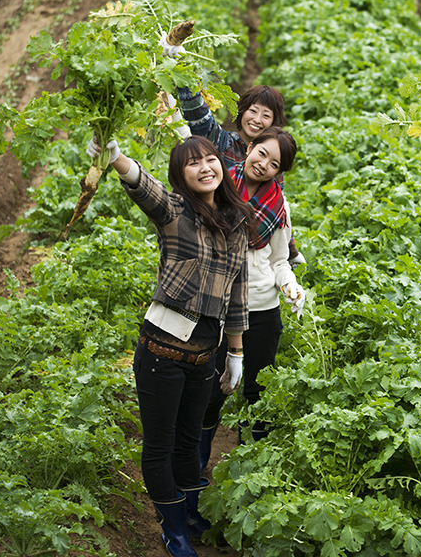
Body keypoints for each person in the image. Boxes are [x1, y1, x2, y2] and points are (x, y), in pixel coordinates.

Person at [87, 135, 255, 557]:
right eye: (192, 163)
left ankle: (191, 515)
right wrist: (116, 158)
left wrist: (235, 353)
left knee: (188, 443)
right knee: (160, 446)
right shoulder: (176, 213)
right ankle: (174, 529)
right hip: (162, 352)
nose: (204, 168)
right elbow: (145, 189)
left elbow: (238, 295)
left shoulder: (236, 221)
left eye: (210, 159)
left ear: (221, 166)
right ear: (181, 175)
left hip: (205, 356)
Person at [198, 126, 306, 472]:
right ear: (250, 147)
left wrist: (290, 284)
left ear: (279, 172)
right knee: (209, 394)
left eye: (274, 164)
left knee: (257, 395)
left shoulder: (278, 205)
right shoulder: (216, 185)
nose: (263, 165)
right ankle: (194, 473)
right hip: (216, 308)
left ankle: (251, 472)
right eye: (262, 153)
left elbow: (278, 260)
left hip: (261, 310)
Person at [160, 34, 305, 265]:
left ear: (275, 123)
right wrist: (182, 67)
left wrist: (288, 249)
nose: (257, 120)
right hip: (206, 234)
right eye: (253, 111)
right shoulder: (222, 142)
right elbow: (198, 115)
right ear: (242, 111)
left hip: (247, 250)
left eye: (266, 116)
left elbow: (276, 208)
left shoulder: (273, 165)